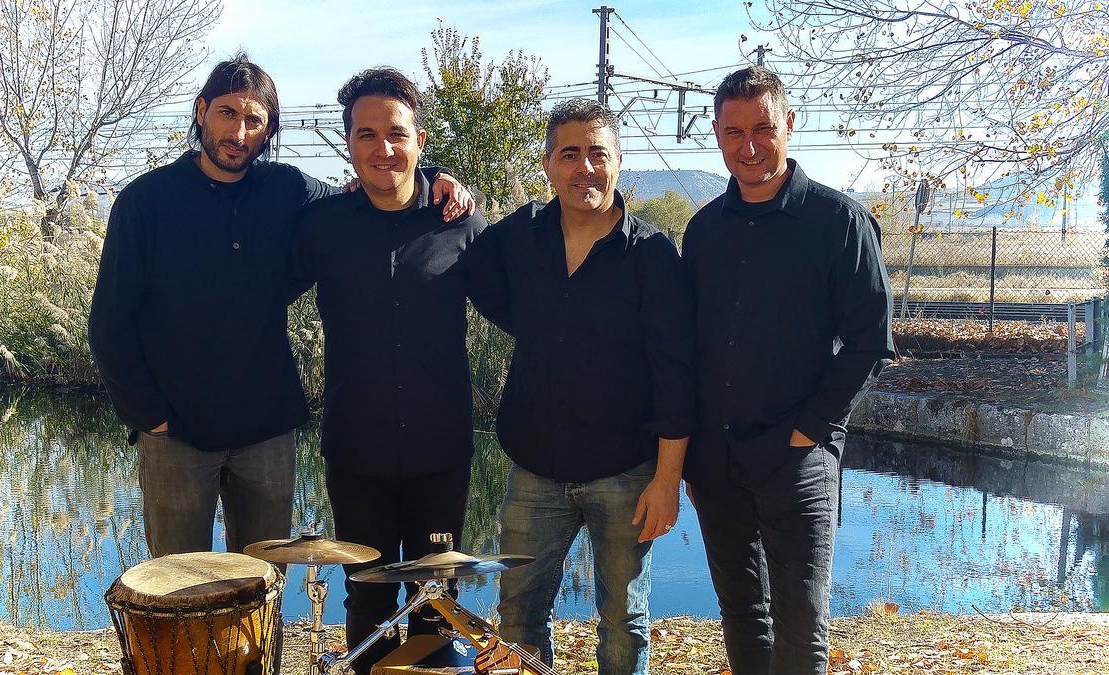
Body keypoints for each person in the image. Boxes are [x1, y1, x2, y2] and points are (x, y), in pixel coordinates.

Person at [88, 54, 470, 558]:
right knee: (178, 590)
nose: (239, 133)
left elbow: (378, 189)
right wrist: (150, 417)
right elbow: (109, 323)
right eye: (227, 113)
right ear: (201, 111)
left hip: (266, 430)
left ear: (269, 130)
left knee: (266, 585)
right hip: (175, 431)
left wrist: (438, 176)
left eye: (254, 121)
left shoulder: (288, 189)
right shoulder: (145, 202)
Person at [287, 67, 504, 675]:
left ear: (420, 138)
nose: (384, 148)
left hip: (441, 448)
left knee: (437, 596)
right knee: (370, 594)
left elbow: (518, 307)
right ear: (349, 143)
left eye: (397, 133)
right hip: (356, 450)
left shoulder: (457, 220)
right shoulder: (323, 224)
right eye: (366, 135)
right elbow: (257, 291)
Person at [682, 66, 896, 674]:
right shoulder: (703, 231)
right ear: (717, 136)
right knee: (743, 618)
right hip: (717, 460)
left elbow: (868, 341)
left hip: (797, 457)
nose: (748, 147)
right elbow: (690, 346)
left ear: (789, 126)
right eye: (733, 132)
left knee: (802, 629)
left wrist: (811, 430)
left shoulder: (837, 221)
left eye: (763, 129)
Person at [486, 98, 695, 675]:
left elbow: (676, 374)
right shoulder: (518, 237)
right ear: (549, 164)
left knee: (624, 623)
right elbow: (472, 267)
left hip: (626, 473)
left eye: (597, 153)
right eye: (570, 153)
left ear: (618, 162)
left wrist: (667, 479)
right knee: (517, 618)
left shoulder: (652, 254)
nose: (585, 168)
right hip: (534, 468)